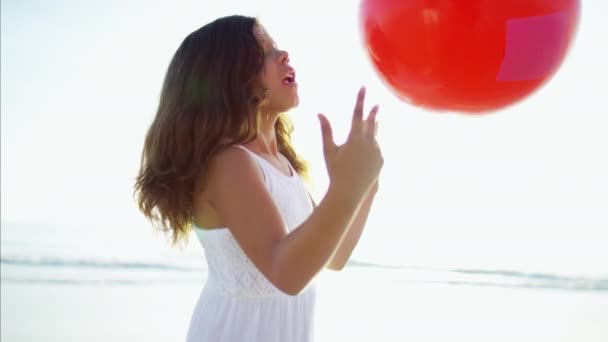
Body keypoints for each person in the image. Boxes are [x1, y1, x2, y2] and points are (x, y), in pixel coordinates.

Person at [134, 15, 383, 342]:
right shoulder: (229, 163)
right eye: (263, 51)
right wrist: (345, 189)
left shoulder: (281, 164)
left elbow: (332, 258)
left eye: (278, 47)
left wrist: (365, 186)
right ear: (228, 76)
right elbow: (287, 273)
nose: (283, 55)